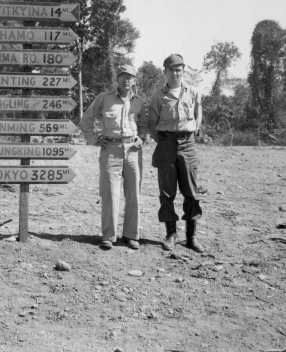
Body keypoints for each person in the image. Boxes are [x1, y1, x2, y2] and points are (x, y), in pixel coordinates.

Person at [80, 65, 148, 250]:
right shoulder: (104, 98)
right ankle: (109, 236)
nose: (127, 80)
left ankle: (131, 235)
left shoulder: (139, 102)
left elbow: (143, 125)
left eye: (130, 77)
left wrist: (142, 138)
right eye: (123, 76)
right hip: (110, 149)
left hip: (133, 150)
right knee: (110, 193)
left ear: (135, 80)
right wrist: (93, 139)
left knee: (133, 193)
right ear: (117, 79)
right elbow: (86, 119)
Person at [148, 54, 205, 252]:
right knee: (166, 193)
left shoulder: (194, 92)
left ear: (183, 70)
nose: (175, 73)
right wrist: (166, 140)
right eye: (171, 69)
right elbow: (152, 125)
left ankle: (191, 237)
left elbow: (198, 117)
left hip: (188, 144)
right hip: (166, 144)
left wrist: (190, 132)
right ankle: (170, 234)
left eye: (179, 69)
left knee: (191, 191)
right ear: (165, 72)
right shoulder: (157, 96)